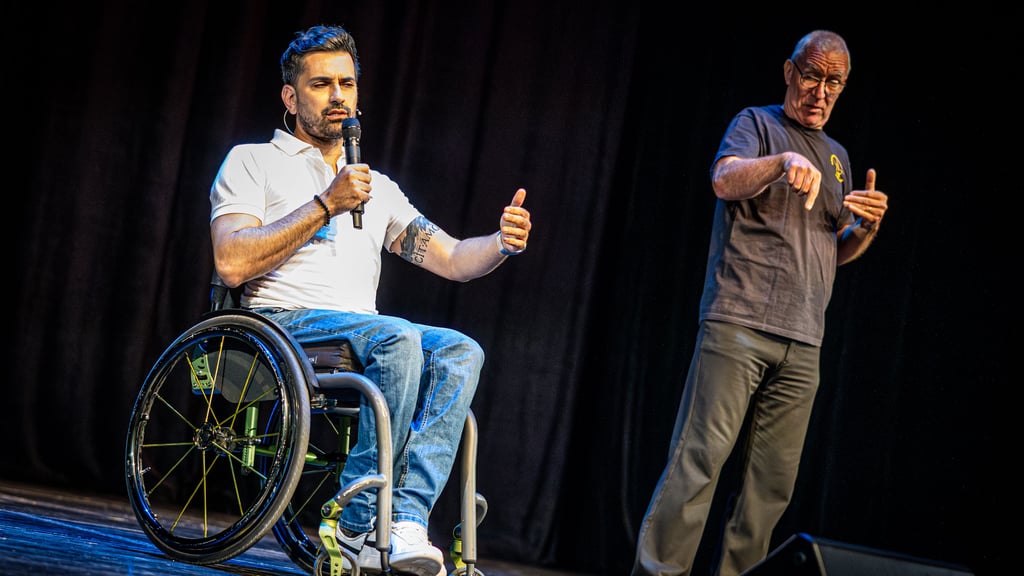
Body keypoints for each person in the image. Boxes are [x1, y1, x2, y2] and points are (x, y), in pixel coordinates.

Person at [209, 24, 532, 576]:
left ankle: (405, 518)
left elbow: (452, 259)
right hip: (280, 325)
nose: (338, 96)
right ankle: (358, 523)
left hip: (364, 333)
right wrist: (324, 205)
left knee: (461, 350)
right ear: (291, 97)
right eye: (320, 84)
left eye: (347, 83)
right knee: (398, 337)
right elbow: (231, 261)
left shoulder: (374, 184)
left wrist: (501, 243)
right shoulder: (253, 161)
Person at [632, 30, 888, 576]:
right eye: (813, 76)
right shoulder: (756, 124)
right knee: (697, 465)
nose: (820, 91)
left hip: (804, 340)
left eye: (834, 82)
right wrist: (778, 163)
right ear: (790, 72)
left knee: (768, 491)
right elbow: (724, 179)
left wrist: (865, 228)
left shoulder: (840, 158)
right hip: (739, 323)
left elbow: (833, 251)